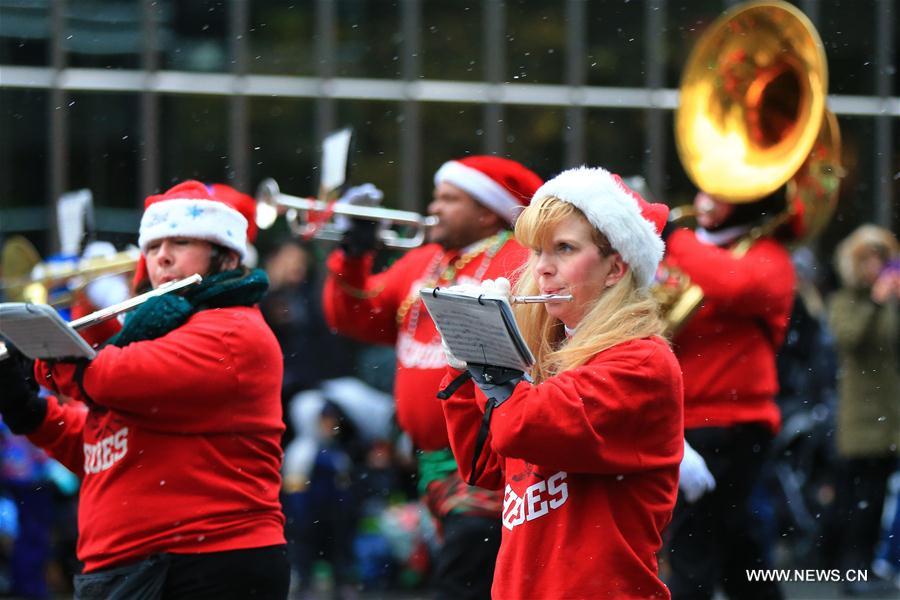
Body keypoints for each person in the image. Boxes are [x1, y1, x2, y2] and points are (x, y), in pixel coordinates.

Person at [0, 180, 289, 599]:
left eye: (182, 242)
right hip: (137, 571)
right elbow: (107, 447)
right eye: (152, 247)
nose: (163, 257)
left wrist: (44, 356)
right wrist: (30, 412)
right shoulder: (153, 331)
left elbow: (112, 377)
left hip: (204, 565)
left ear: (225, 255)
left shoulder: (233, 328)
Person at [435, 166, 683, 598]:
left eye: (564, 249)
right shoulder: (549, 353)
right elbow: (486, 467)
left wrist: (495, 363)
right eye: (537, 251)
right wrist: (464, 364)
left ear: (614, 268)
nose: (542, 269)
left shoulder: (642, 361)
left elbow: (521, 427)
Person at [322, 155, 542, 599]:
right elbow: (356, 317)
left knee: (462, 581)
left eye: (449, 199)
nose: (433, 207)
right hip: (430, 462)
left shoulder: (520, 259)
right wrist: (354, 253)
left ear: (487, 210)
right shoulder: (425, 260)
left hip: (487, 458)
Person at [663, 190, 796, 600]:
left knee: (693, 548)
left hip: (732, 424)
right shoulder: (691, 253)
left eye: (722, 192)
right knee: (739, 549)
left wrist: (672, 237)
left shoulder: (768, 256)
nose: (704, 199)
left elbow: (736, 286)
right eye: (703, 188)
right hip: (685, 422)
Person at [827, 225, 900, 587]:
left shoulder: (888, 303)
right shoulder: (846, 301)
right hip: (862, 415)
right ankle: (850, 568)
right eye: (869, 259)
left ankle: (868, 565)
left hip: (890, 415)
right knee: (860, 499)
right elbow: (849, 338)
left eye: (881, 259)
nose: (877, 266)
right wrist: (874, 301)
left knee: (876, 498)